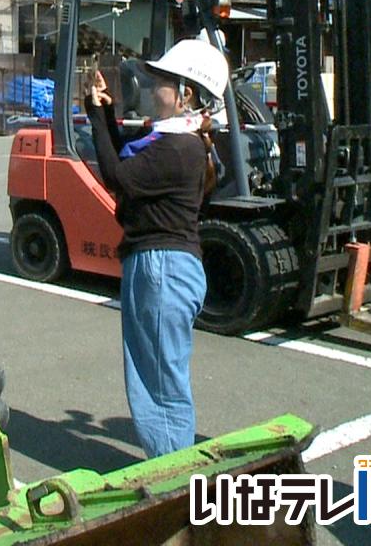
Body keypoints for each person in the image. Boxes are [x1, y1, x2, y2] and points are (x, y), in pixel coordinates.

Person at [86, 38, 227, 458]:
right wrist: (106, 112)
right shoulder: (175, 141)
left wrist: (97, 117)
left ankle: (174, 483)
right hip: (159, 264)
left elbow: (117, 177)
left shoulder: (178, 149)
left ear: (186, 95)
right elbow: (124, 167)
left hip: (162, 267)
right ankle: (172, 470)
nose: (151, 89)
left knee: (160, 384)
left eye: (161, 82)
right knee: (156, 374)